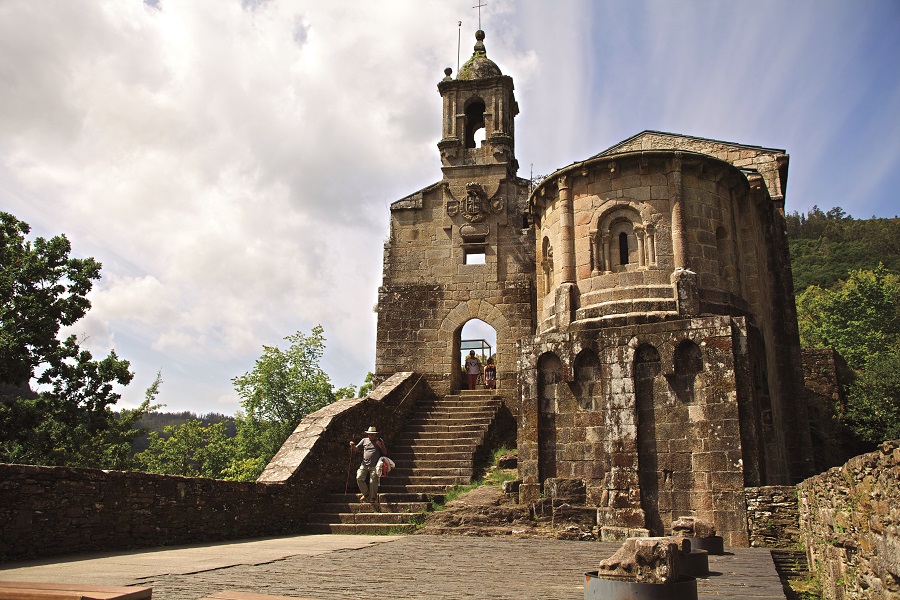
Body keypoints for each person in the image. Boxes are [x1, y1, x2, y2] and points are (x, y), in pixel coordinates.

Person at [350, 426, 387, 507]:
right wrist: (352, 445)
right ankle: (366, 494)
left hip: (375, 465)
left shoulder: (379, 441)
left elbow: (385, 452)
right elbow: (356, 449)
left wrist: (380, 446)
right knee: (359, 477)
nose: (371, 436)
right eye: (369, 434)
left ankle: (373, 498)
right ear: (367, 434)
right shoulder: (364, 440)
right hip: (364, 464)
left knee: (373, 482)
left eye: (372, 434)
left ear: (375, 434)